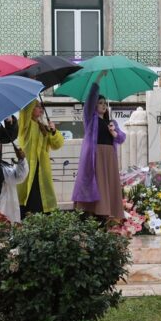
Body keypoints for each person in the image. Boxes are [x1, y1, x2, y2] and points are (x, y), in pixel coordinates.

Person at [72, 70, 127, 222]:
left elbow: (122, 138)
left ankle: (104, 214)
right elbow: (89, 101)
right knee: (96, 184)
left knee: (106, 186)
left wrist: (114, 133)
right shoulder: (91, 119)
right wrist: (98, 79)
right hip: (95, 156)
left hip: (109, 157)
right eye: (100, 103)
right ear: (95, 105)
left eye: (104, 103)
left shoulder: (111, 122)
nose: (103, 106)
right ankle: (93, 213)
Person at [17, 100, 64, 217]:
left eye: (41, 107)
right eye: (37, 107)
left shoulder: (44, 127)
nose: (41, 109)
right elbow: (24, 111)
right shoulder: (25, 125)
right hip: (28, 169)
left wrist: (54, 131)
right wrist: (32, 92)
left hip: (42, 170)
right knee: (29, 199)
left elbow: (56, 145)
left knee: (43, 202)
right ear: (31, 109)